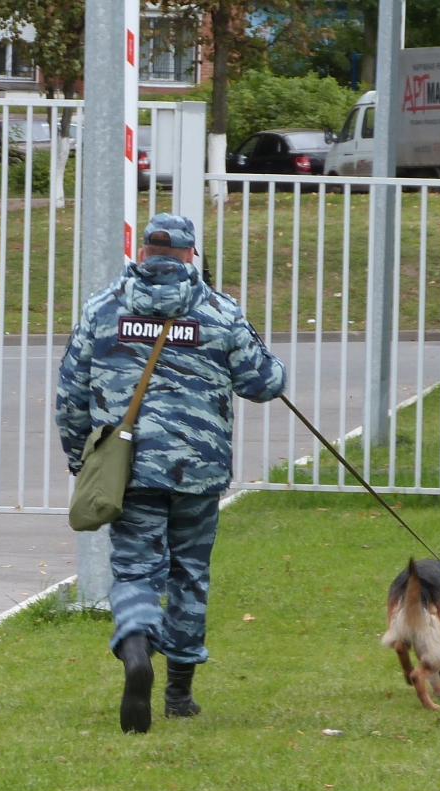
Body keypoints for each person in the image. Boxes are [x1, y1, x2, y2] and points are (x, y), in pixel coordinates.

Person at [56, 212, 287, 734]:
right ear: (188, 255)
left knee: (136, 570)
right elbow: (265, 382)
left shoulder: (102, 309)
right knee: (189, 573)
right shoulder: (219, 311)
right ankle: (179, 694)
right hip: (198, 473)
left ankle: (137, 648)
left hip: (129, 469)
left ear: (144, 254)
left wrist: (83, 462)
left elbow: (70, 395)